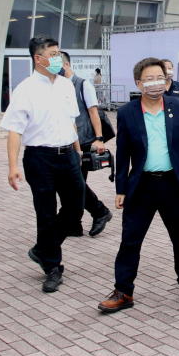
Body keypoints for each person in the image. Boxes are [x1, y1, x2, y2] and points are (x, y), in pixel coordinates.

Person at [98, 58, 179, 314]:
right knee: (130, 239)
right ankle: (123, 291)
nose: (155, 83)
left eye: (159, 78)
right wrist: (120, 188)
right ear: (139, 83)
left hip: (174, 183)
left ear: (166, 79)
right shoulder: (128, 112)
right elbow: (124, 152)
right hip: (141, 186)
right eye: (148, 79)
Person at [1, 36, 85, 293]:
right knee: (46, 213)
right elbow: (14, 130)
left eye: (59, 53)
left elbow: (71, 120)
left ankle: (42, 248)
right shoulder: (25, 89)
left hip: (68, 155)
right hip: (40, 158)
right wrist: (12, 166)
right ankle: (52, 267)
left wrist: (78, 149)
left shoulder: (66, 85)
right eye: (53, 53)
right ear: (38, 58)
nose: (58, 58)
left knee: (75, 209)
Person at [60, 52, 112, 237]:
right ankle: (76, 223)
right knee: (73, 184)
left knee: (76, 183)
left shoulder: (82, 84)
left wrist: (99, 138)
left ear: (66, 64)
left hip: (82, 141)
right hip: (66, 140)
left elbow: (93, 112)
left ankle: (99, 212)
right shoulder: (57, 85)